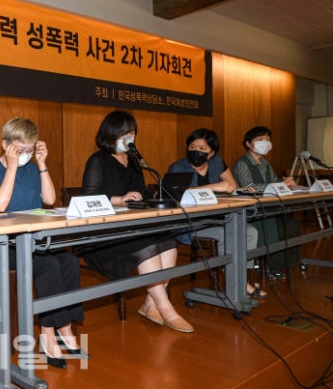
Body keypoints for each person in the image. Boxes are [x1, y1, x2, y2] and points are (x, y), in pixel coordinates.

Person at [0, 117, 85, 369]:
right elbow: (0, 205)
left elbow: (49, 200)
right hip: (4, 247)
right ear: (5, 145)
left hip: (34, 241)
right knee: (49, 265)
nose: (25, 155)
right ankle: (47, 332)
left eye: (30, 149)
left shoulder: (32, 169)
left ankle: (64, 326)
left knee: (69, 260)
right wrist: (12, 167)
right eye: (20, 150)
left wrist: (42, 164)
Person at [81, 110, 193, 333]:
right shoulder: (98, 160)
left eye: (132, 133)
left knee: (169, 242)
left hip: (133, 226)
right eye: (124, 133)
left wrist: (153, 197)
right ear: (110, 134)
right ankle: (166, 308)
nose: (129, 138)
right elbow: (89, 198)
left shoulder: (133, 160)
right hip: (105, 234)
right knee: (148, 247)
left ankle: (151, 303)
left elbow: (141, 192)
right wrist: (119, 200)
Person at [167, 128, 265, 298]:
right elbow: (177, 194)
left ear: (211, 153)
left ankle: (241, 276)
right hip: (190, 224)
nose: (196, 151)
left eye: (202, 148)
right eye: (192, 147)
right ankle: (237, 283)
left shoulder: (217, 163)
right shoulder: (178, 167)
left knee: (251, 232)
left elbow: (232, 186)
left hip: (217, 218)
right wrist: (215, 187)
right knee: (226, 234)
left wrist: (241, 190)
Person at [232, 126, 301, 280]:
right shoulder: (242, 163)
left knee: (291, 225)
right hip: (251, 209)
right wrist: (278, 185)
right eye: (260, 139)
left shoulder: (266, 163)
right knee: (270, 223)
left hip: (269, 207)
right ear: (248, 143)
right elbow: (249, 187)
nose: (265, 142)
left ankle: (282, 264)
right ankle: (266, 266)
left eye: (268, 140)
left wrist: (285, 184)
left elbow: (274, 183)